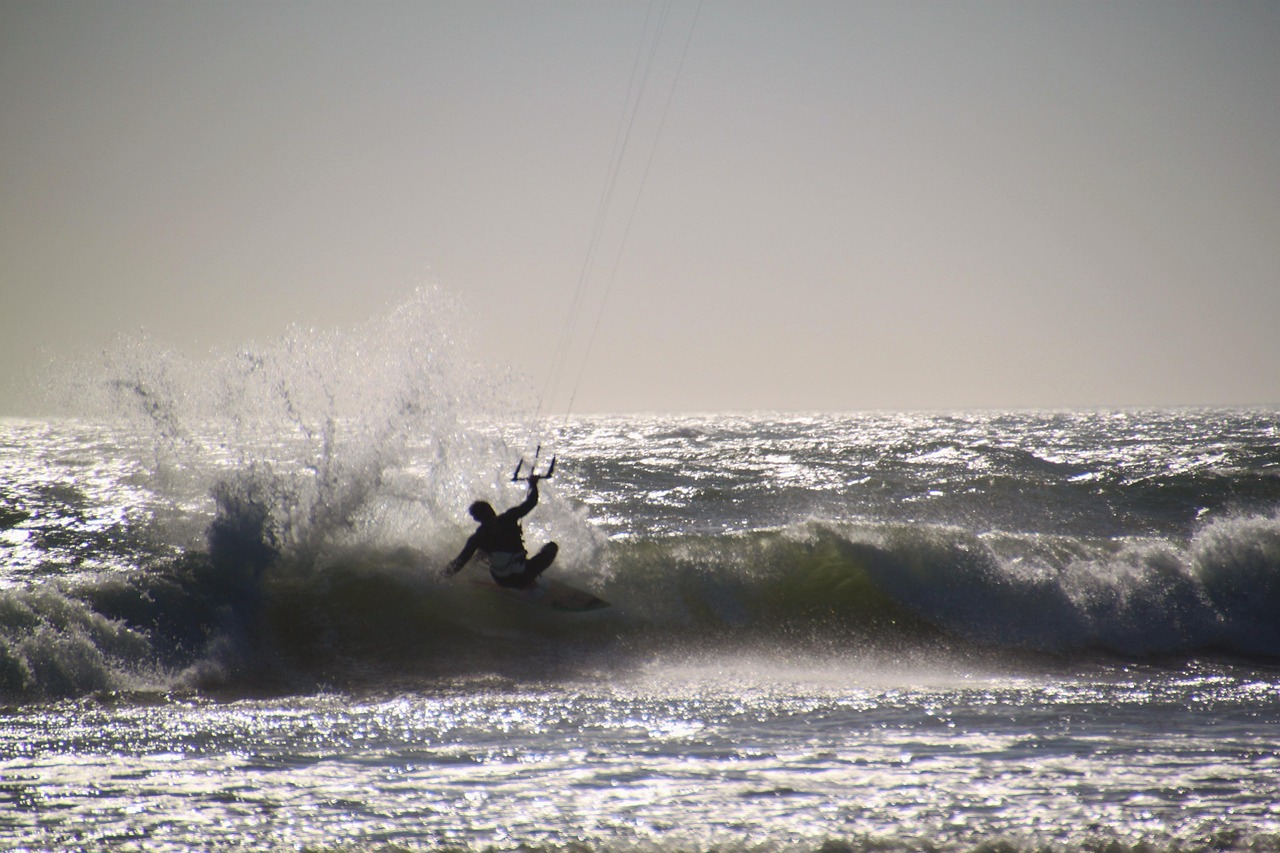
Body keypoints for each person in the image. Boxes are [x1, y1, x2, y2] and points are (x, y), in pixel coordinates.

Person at [443, 475, 559, 588]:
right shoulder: (509, 517)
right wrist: (533, 484)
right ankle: (530, 581)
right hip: (523, 578)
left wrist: (438, 577)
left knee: (483, 551)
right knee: (551, 547)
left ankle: (477, 566)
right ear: (492, 510)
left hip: (500, 580)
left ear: (476, 519)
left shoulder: (477, 538)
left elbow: (459, 562)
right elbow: (531, 502)